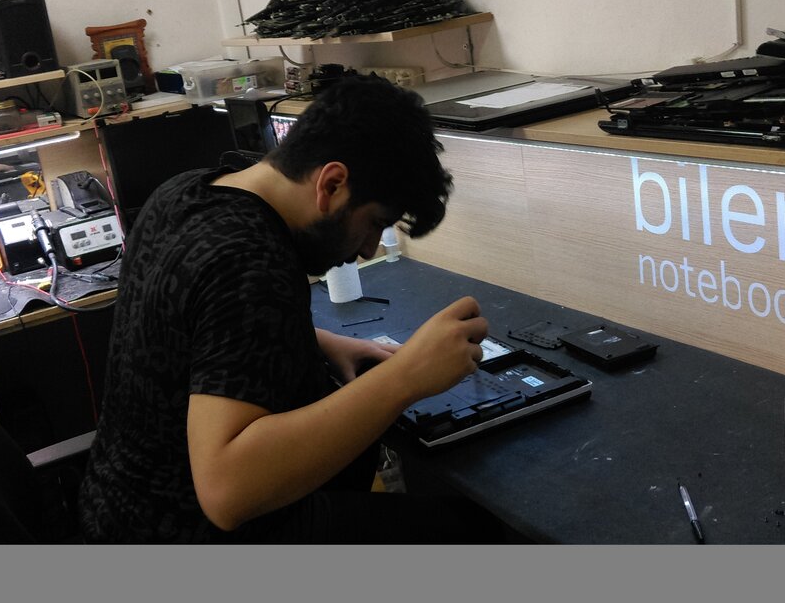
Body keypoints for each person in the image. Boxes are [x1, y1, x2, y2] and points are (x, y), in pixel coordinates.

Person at [79, 75, 505, 543]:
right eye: (374, 223)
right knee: (484, 533)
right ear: (332, 183)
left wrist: (314, 342)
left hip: (116, 515)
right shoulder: (251, 261)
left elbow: (187, 324)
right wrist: (405, 378)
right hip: (195, 538)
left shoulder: (183, 194)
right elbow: (227, 493)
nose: (368, 249)